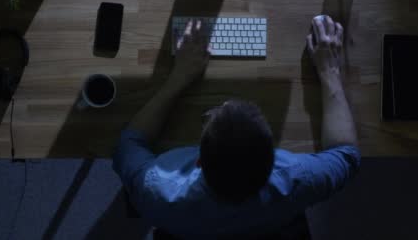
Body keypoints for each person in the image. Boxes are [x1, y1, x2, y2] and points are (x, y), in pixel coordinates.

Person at [112, 15, 360, 240]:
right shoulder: (300, 180)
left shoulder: (156, 192)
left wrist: (178, 79)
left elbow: (129, 143)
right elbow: (346, 156)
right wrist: (329, 71)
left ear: (199, 161)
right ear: (273, 158)